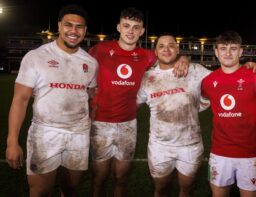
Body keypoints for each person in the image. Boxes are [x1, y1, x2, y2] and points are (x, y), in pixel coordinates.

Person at [88, 7, 189, 197]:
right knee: (99, 178)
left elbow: (171, 57)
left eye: (136, 27)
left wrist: (184, 58)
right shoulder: (100, 50)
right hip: (100, 123)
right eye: (126, 26)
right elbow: (79, 69)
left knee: (120, 178)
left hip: (128, 124)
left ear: (142, 31)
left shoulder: (147, 56)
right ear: (118, 27)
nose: (130, 31)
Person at [5, 4, 98, 196]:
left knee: (70, 189)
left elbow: (90, 93)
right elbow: (20, 100)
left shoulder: (90, 62)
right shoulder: (36, 56)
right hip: (45, 133)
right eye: (68, 25)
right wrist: (12, 141)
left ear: (85, 30)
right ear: (59, 26)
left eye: (79, 26)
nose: (73, 31)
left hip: (78, 134)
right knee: (40, 192)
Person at [200, 31, 256, 197]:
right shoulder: (207, 81)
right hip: (219, 154)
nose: (228, 53)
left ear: (241, 52)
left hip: (250, 155)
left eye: (233, 48)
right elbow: (200, 102)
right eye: (223, 48)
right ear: (216, 52)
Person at [136, 33, 211, 197]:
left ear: (177, 49)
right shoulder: (147, 78)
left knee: (187, 190)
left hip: (190, 145)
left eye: (171, 45)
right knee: (161, 190)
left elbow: (226, 79)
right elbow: (130, 105)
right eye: (161, 46)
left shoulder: (195, 70)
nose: (166, 49)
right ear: (155, 52)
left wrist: (247, 67)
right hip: (159, 146)